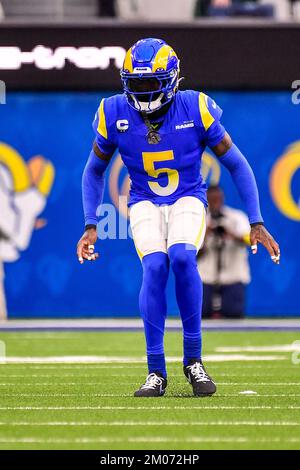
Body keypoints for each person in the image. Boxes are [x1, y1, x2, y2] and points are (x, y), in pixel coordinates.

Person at [77, 38, 280, 398]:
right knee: (155, 267)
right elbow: (93, 170)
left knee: (184, 258)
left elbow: (236, 162)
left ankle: (193, 361)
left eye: (149, 83)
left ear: (170, 80)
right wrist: (90, 223)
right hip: (143, 200)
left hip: (188, 196)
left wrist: (256, 220)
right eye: (135, 84)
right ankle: (156, 370)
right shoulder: (113, 112)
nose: (142, 92)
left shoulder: (196, 107)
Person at [198, 185, 251, 319]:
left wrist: (230, 233)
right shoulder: (200, 220)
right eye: (212, 200)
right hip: (206, 277)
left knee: (233, 315)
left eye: (217, 199)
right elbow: (191, 254)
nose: (215, 203)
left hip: (233, 275)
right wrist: (206, 234)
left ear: (222, 198)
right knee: (201, 315)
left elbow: (249, 240)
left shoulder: (236, 217)